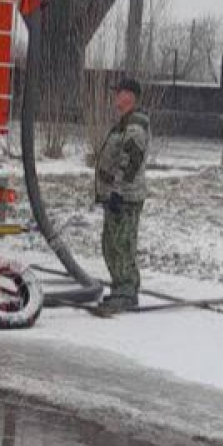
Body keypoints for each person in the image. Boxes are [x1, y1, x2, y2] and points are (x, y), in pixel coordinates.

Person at [93, 77, 151, 314]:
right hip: (116, 195)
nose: (115, 97)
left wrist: (118, 191)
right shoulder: (125, 123)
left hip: (125, 198)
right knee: (111, 243)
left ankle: (126, 290)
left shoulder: (135, 124)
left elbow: (131, 160)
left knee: (122, 243)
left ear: (129, 96)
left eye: (119, 92)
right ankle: (121, 287)